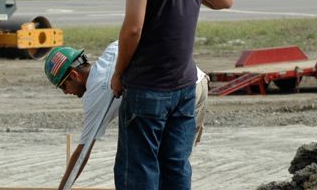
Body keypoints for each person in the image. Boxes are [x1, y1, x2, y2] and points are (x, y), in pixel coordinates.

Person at [110, 0, 232, 189]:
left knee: (139, 169)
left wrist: (118, 73)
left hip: (147, 84)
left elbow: (133, 29)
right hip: (184, 86)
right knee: (175, 166)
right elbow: (224, 0)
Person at [47, 42, 209, 189]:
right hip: (196, 82)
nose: (67, 92)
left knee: (144, 166)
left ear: (75, 75)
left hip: (171, 93)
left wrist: (62, 188)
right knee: (174, 163)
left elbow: (82, 152)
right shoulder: (112, 50)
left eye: (63, 86)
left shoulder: (96, 94)